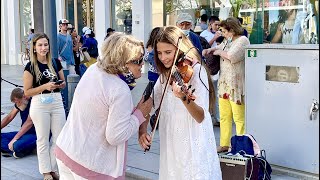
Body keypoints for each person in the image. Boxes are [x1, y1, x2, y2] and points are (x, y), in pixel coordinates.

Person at [54, 33, 153, 179]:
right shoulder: (119, 88)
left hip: (68, 150)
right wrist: (139, 115)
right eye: (138, 60)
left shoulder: (95, 69)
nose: (142, 64)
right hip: (89, 165)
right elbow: (115, 136)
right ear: (123, 62)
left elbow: (101, 108)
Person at [138, 26, 222, 179]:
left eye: (168, 52)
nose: (163, 58)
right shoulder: (165, 74)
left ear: (180, 48)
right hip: (172, 142)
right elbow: (149, 104)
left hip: (193, 141)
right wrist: (142, 131)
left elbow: (200, 117)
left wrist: (184, 98)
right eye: (159, 53)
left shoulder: (196, 71)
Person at [203, 17, 250, 153]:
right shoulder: (228, 40)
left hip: (236, 85)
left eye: (223, 31)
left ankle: (241, 145)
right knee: (224, 116)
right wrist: (210, 50)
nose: (221, 33)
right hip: (224, 84)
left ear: (231, 30)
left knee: (238, 118)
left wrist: (217, 52)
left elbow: (232, 56)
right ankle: (224, 144)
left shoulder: (243, 41)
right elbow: (220, 47)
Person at [23, 33, 67, 180]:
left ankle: (54, 168)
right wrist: (45, 86)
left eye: (45, 44)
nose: (43, 48)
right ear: (34, 48)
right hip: (39, 103)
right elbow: (27, 92)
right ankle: (46, 171)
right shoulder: (30, 67)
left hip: (56, 101)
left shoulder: (55, 62)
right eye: (40, 45)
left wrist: (60, 84)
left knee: (59, 138)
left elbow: (63, 82)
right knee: (42, 139)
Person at [1, 88, 37, 158]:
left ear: (24, 97)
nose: (17, 104)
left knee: (16, 145)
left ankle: (20, 148)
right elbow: (9, 116)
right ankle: (22, 150)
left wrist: (15, 139)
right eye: (15, 103)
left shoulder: (34, 103)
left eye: (18, 102)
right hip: (24, 133)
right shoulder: (21, 104)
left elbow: (29, 123)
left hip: (36, 134)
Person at [200, 15, 222, 127]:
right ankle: (210, 115)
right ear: (210, 24)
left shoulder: (221, 33)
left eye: (219, 25)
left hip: (218, 65)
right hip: (208, 66)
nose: (218, 27)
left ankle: (217, 117)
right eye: (216, 24)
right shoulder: (204, 34)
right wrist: (214, 38)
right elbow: (203, 48)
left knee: (216, 93)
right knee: (209, 92)